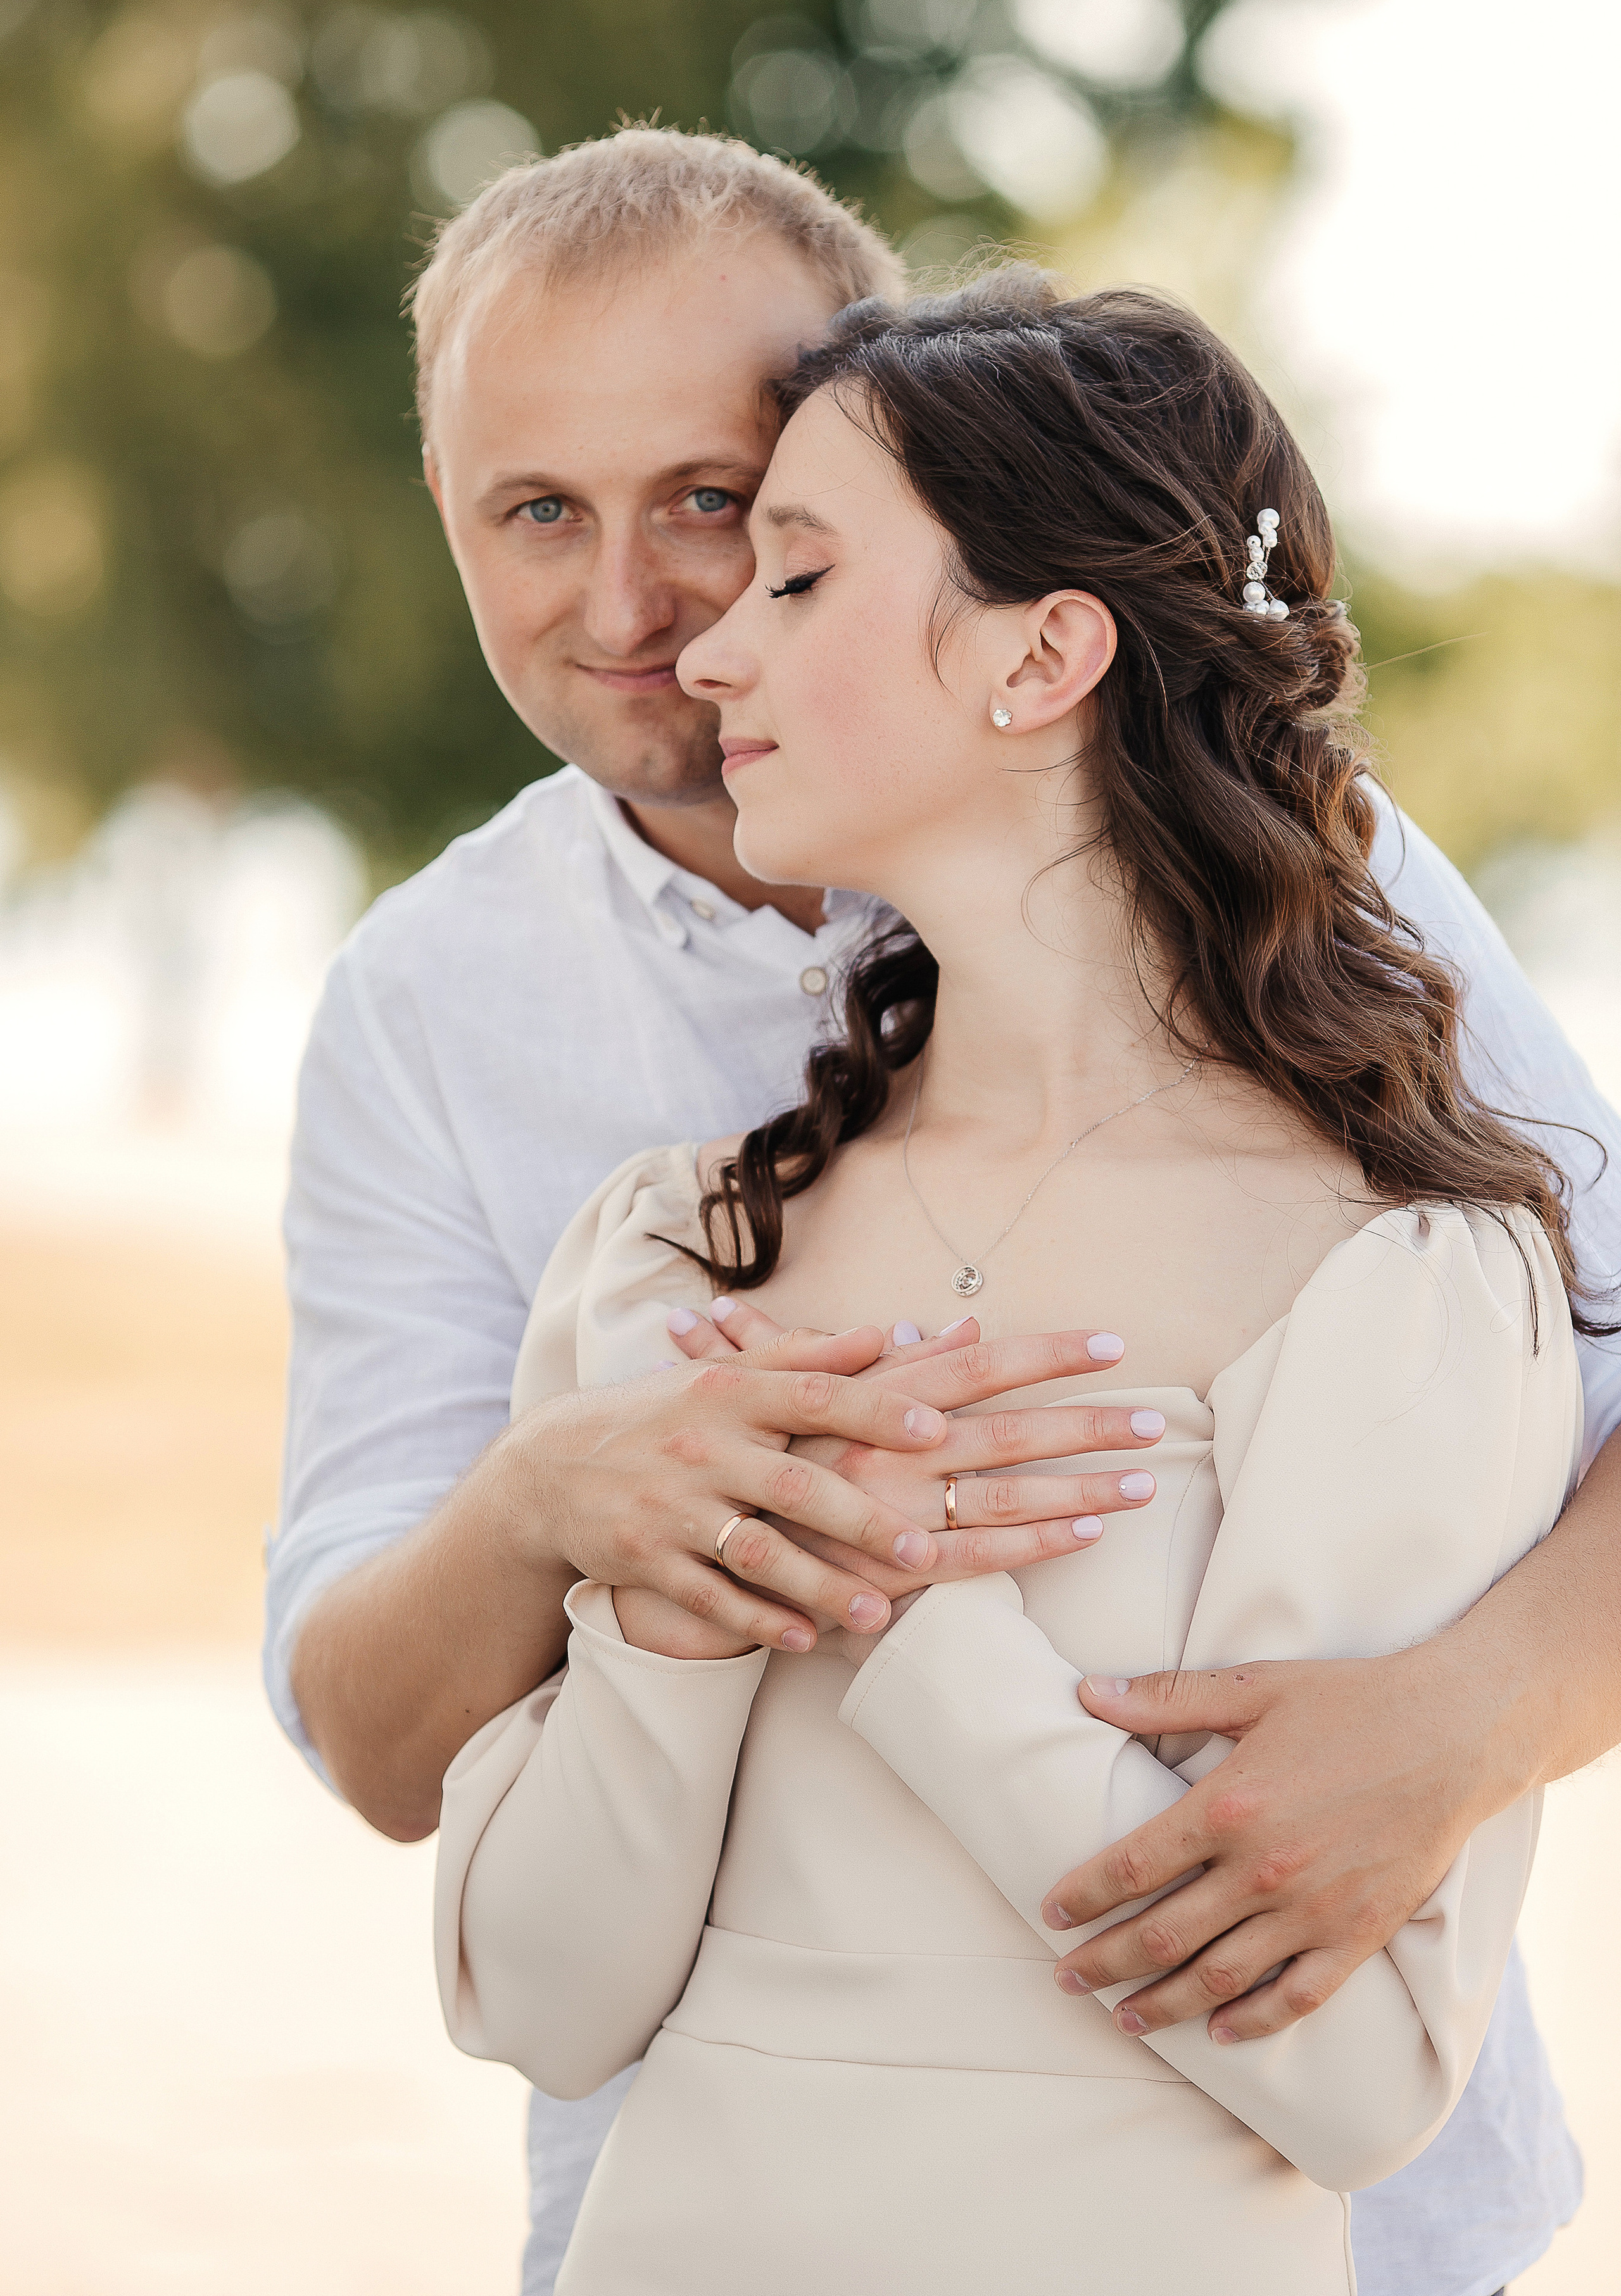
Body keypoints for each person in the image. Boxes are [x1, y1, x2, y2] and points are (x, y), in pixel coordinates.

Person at [265, 131, 1621, 2296]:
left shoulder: (1332, 952)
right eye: (536, 511)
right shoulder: (486, 1062)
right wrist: (582, 1510)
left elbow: (1573, 1346)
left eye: (730, 517)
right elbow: (381, 1742)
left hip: (1334, 2222)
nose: (647, 620)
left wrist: (1473, 1719)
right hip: (690, 2203)